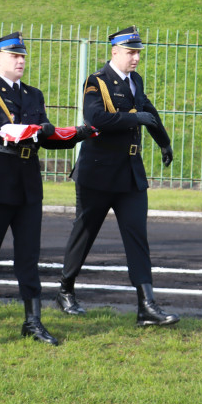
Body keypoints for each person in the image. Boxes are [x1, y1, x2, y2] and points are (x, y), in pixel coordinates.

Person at [0, 32, 92, 345]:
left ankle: (32, 321)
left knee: (28, 254)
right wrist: (42, 131)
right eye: (15, 56)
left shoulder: (33, 94)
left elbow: (46, 138)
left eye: (23, 56)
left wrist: (79, 134)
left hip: (27, 181)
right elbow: (2, 130)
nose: (21, 61)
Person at [53, 26, 178, 326]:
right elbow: (94, 118)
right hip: (97, 173)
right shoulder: (96, 81)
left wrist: (164, 141)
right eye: (131, 52)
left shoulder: (135, 81)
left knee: (137, 237)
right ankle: (65, 290)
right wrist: (135, 118)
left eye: (138, 53)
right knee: (85, 232)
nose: (136, 58)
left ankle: (146, 306)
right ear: (115, 52)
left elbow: (149, 111)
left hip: (130, 174)